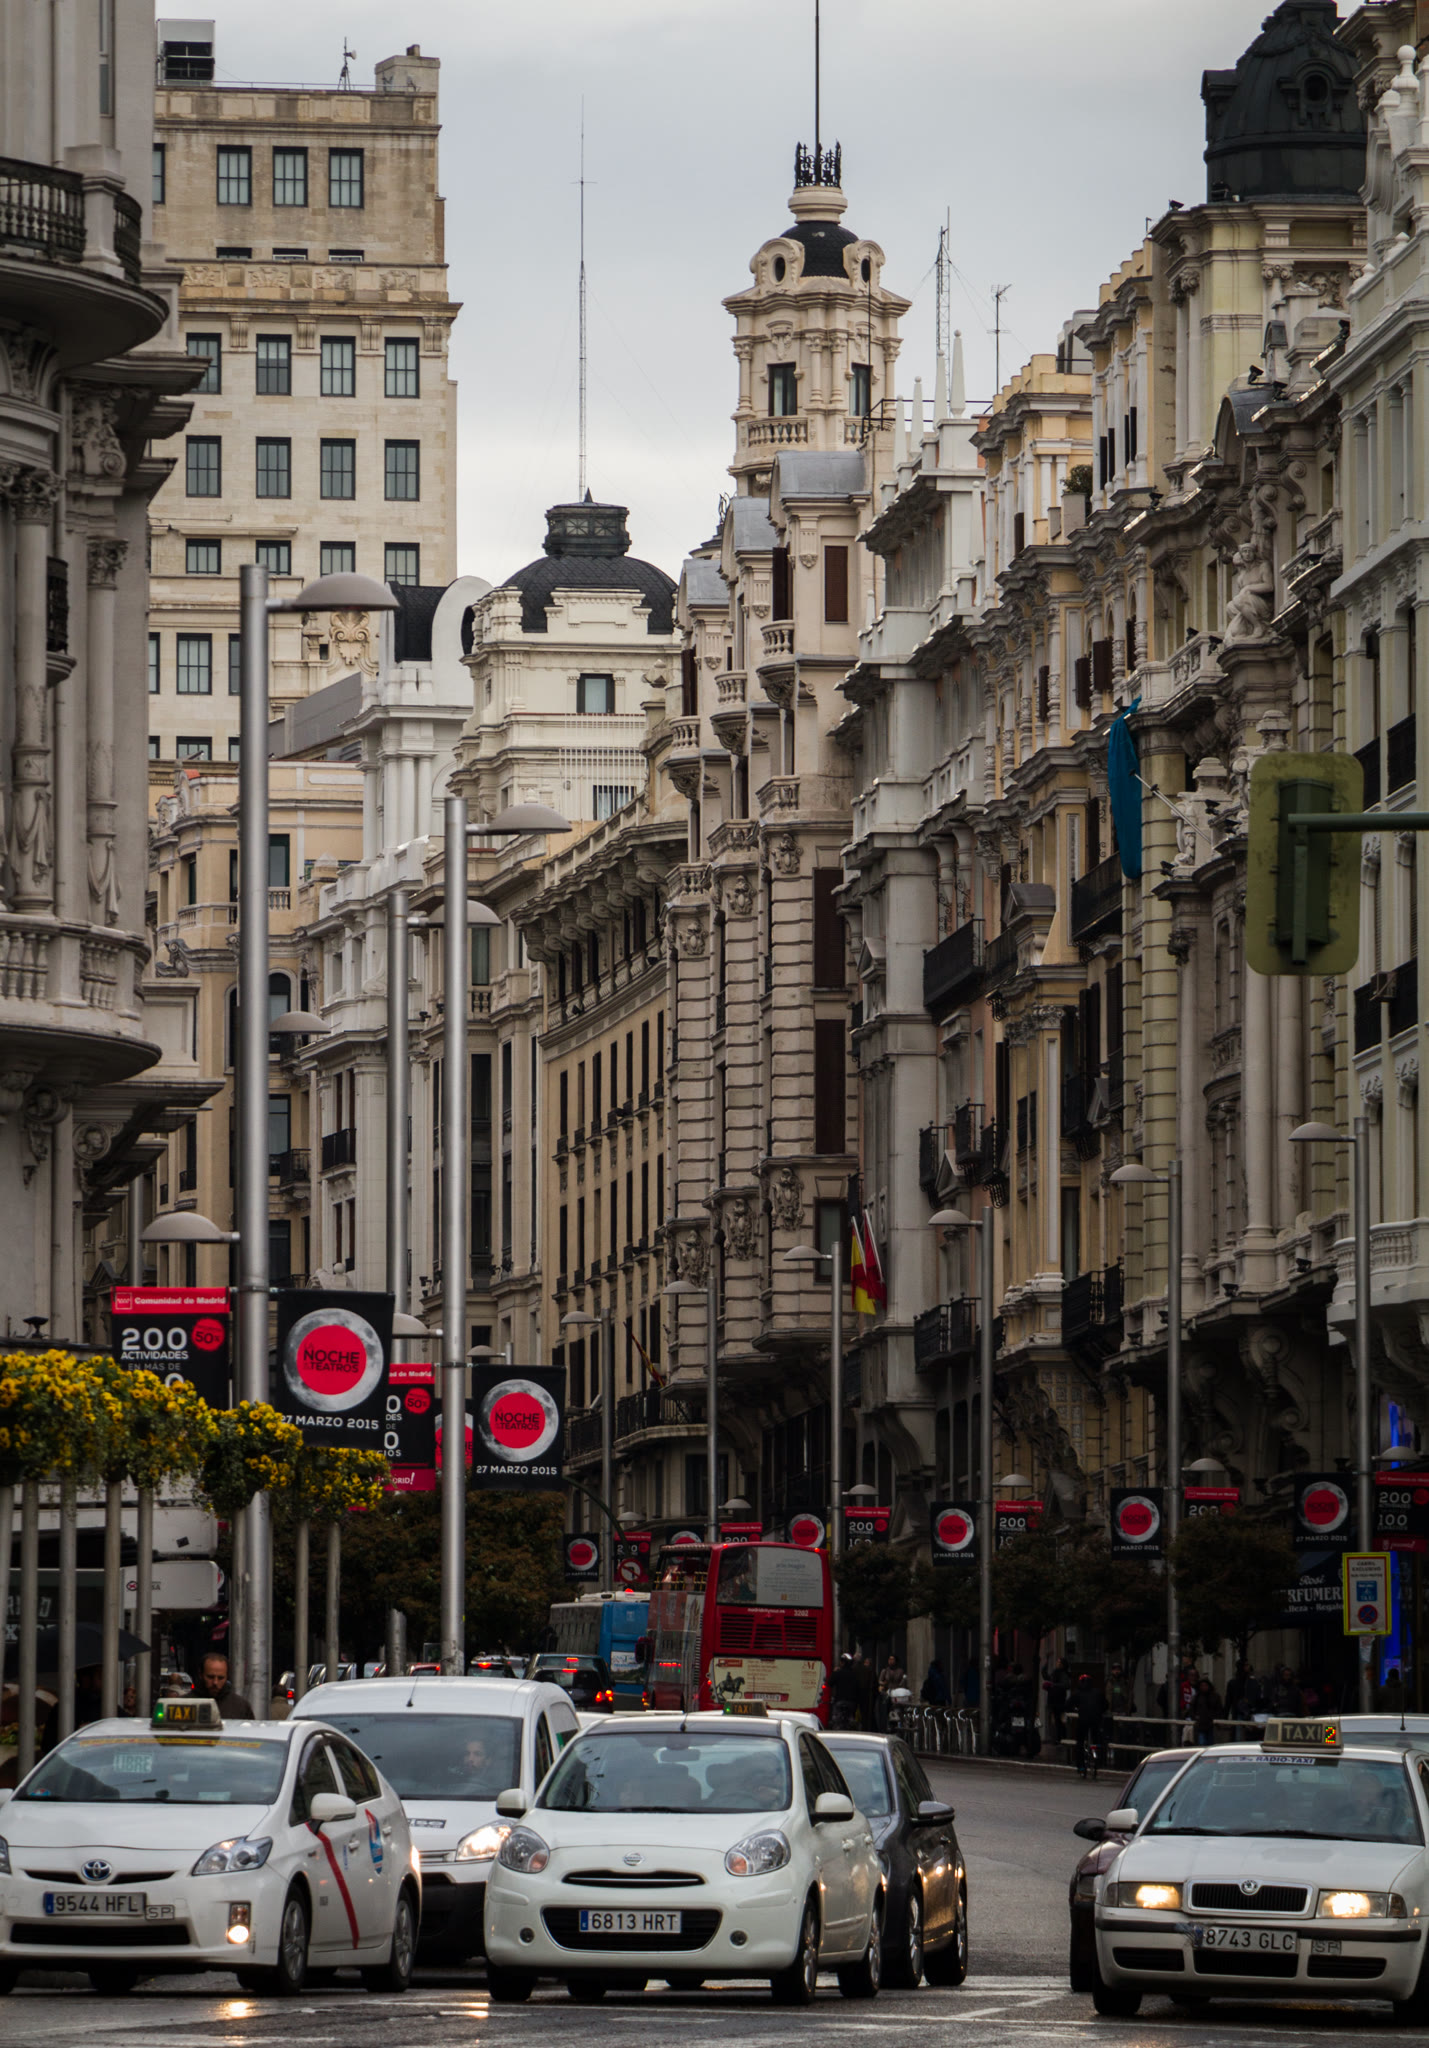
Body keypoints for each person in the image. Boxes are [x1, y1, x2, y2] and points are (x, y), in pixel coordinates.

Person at [39, 1664, 104, 1755]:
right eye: (100, 1676)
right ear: (85, 1678)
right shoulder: (65, 1708)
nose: (105, 1681)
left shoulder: (107, 1705)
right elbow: (48, 1745)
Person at [198, 1652, 255, 1720]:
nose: (215, 1682)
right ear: (201, 1675)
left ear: (227, 1677)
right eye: (210, 1677)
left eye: (220, 1678)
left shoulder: (241, 1706)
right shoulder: (187, 1703)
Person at [1071, 1671, 1106, 1778]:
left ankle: (1081, 1766)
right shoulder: (1098, 1692)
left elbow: (1068, 1705)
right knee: (1096, 1739)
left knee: (1080, 1742)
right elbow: (1106, 1704)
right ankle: (1097, 1759)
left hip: (1083, 1720)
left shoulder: (1077, 1693)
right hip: (1096, 1720)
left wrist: (1075, 1709)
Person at [1043, 1657, 1070, 1747]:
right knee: (1056, 1720)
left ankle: (1061, 1738)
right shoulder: (1055, 1672)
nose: (1057, 1663)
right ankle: (1057, 1738)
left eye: (1059, 1662)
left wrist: (1053, 1685)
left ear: (1062, 1664)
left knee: (1058, 1720)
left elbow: (1066, 1685)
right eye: (1057, 1662)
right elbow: (1047, 1677)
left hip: (1059, 1700)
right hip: (1053, 1699)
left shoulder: (1063, 1674)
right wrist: (1044, 1668)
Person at [877, 1651, 906, 1730]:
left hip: (897, 1692)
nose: (891, 1661)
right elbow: (880, 1681)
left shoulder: (900, 1671)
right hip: (888, 1692)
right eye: (889, 1659)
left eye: (892, 1659)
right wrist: (884, 1684)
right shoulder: (885, 1671)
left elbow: (903, 1681)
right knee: (887, 1707)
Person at [831, 1653, 861, 1730]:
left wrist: (834, 1672)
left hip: (839, 1700)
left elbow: (829, 1683)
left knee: (836, 1720)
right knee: (851, 1720)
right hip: (851, 1702)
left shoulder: (838, 1673)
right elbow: (858, 1688)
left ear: (843, 1663)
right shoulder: (855, 1674)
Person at [1191, 1676, 1223, 1746]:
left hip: (1212, 1724)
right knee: (1202, 1743)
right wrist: (1195, 1717)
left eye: (1205, 1685)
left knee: (1211, 1743)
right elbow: (1192, 1709)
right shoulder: (1197, 1697)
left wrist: (1216, 1719)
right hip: (1201, 1724)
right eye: (1202, 1685)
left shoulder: (1215, 1696)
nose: (1204, 1687)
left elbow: (1219, 1709)